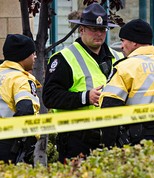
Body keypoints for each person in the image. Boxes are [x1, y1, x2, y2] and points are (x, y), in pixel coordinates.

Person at [42, 3, 124, 163]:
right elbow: (50, 97)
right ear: (81, 30)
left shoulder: (117, 57)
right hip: (76, 138)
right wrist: (85, 97)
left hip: (111, 136)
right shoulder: (64, 58)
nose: (99, 34)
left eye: (102, 29)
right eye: (93, 29)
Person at [0, 34, 40, 164]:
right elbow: (25, 110)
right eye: (32, 53)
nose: (35, 57)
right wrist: (23, 142)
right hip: (10, 146)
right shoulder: (20, 79)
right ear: (22, 56)